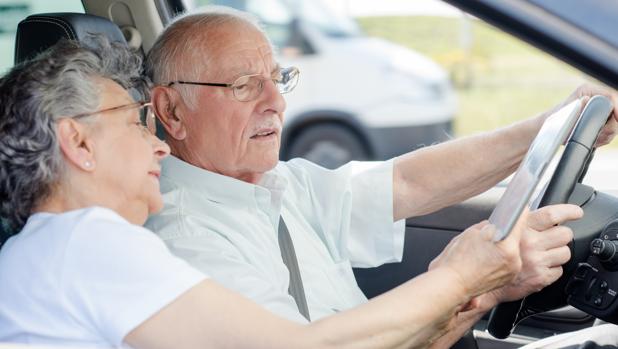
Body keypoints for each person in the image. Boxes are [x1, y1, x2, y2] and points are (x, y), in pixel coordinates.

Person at [0, 37, 540, 349]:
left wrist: (475, 288)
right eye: (137, 124)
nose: (156, 146)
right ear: (78, 142)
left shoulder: (52, 253)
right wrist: (459, 278)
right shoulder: (90, 244)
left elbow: (407, 180)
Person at [144, 8, 618, 348]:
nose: (277, 102)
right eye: (244, 85)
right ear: (171, 111)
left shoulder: (279, 184)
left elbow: (409, 182)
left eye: (277, 77)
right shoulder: (187, 242)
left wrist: (552, 126)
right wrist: (478, 284)